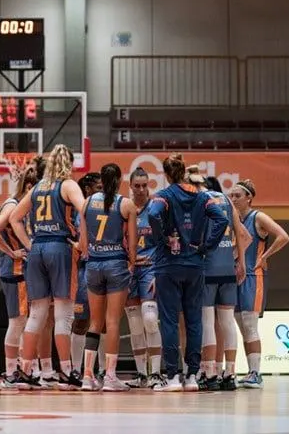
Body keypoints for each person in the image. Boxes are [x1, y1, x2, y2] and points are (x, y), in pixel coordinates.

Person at [144, 153, 228, 392]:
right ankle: (192, 376)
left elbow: (152, 214)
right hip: (195, 264)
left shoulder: (163, 196)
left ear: (167, 174)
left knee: (170, 321)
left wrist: (162, 237)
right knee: (194, 321)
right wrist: (206, 246)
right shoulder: (202, 196)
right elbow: (221, 220)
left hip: (168, 265)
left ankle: (172, 377)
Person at [7, 145, 87, 390]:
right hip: (60, 247)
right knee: (63, 314)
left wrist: (29, 244)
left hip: (38, 249)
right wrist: (82, 242)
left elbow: (14, 219)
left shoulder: (38, 188)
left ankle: (26, 370)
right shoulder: (68, 185)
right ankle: (65, 371)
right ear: (69, 163)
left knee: (37, 314)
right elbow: (85, 209)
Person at [0, 159, 43, 389]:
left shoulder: (23, 207)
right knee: (18, 322)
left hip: (22, 271)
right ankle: (11, 372)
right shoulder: (12, 205)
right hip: (15, 270)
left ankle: (22, 369)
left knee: (24, 321)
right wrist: (12, 253)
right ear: (28, 187)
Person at [229, 179, 289, 389]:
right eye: (231, 196)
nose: (233, 199)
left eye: (237, 196)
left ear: (249, 198)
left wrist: (264, 256)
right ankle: (249, 371)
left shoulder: (258, 217)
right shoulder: (232, 219)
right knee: (239, 327)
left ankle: (256, 372)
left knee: (250, 325)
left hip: (253, 279)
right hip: (235, 278)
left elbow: (283, 236)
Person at [82, 163, 138, 392]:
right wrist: (133, 263)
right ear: (120, 178)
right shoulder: (126, 205)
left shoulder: (87, 202)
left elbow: (83, 245)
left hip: (93, 265)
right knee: (113, 321)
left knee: (95, 322)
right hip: (116, 264)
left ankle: (87, 376)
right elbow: (132, 245)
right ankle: (111, 377)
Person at [195, 172, 251, 391]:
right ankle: (230, 373)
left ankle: (209, 373)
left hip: (208, 268)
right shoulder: (228, 201)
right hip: (228, 268)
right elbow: (244, 236)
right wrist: (240, 262)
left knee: (208, 322)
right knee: (227, 323)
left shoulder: (201, 201)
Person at [123, 167, 163, 388]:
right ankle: (141, 375)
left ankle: (156, 373)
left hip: (150, 269)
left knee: (149, 320)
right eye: (136, 186)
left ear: (149, 185)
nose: (140, 189)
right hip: (129, 271)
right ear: (130, 186)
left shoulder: (157, 208)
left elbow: (165, 240)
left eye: (144, 185)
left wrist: (161, 270)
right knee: (135, 325)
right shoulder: (124, 208)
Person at [73, 172, 101, 378]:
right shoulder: (79, 210)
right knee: (81, 321)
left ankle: (97, 370)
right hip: (84, 269)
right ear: (88, 189)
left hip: (103, 265)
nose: (102, 190)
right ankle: (75, 369)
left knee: (102, 322)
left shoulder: (108, 207)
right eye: (98, 187)